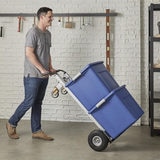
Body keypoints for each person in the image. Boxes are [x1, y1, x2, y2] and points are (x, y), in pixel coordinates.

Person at [6, 7, 56, 141]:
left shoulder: (48, 34)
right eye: (50, 17)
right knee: (29, 101)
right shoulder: (33, 32)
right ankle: (11, 123)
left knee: (38, 102)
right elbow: (29, 53)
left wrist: (50, 67)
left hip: (44, 75)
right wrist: (41, 69)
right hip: (32, 75)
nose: (52, 19)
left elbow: (47, 53)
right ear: (42, 17)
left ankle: (36, 130)